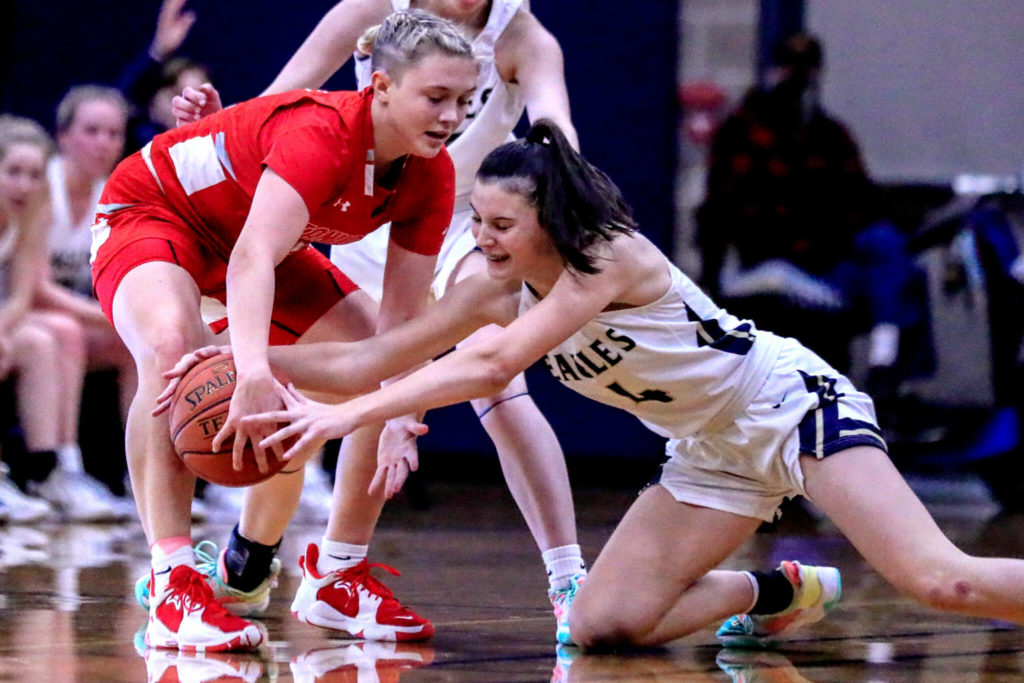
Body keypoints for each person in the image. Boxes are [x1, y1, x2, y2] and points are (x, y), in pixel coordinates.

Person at [208, 120, 1023, 650]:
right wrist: (243, 361)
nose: (483, 241)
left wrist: (337, 419)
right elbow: (378, 356)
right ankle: (773, 589)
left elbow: (490, 367)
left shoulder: (607, 254)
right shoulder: (495, 286)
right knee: (598, 626)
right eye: (477, 222)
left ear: (545, 219)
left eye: (501, 225)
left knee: (938, 579)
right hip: (710, 451)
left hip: (787, 405)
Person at [170, 0, 586, 642]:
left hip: (469, 220)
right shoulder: (371, 9)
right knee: (324, 391)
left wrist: (565, 173)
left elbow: (556, 127)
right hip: (366, 213)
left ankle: (566, 579)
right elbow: (285, 95)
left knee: (497, 375)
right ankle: (254, 552)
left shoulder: (524, 36)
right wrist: (219, 126)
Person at [91, 9, 478, 651]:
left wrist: (397, 411)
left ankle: (328, 571)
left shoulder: (430, 172)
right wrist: (251, 371)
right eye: (436, 97)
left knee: (365, 362)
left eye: (464, 101)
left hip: (253, 243)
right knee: (173, 350)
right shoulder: (322, 134)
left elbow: (400, 325)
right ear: (380, 86)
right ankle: (173, 580)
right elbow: (249, 261)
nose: (451, 117)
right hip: (157, 214)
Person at [696, 34, 928, 394]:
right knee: (889, 273)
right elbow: (720, 210)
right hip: (772, 264)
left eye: (807, 69)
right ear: (773, 71)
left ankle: (890, 372)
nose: (798, 78)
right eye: (790, 67)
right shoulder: (744, 133)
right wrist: (711, 280)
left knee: (900, 265)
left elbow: (862, 200)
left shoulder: (828, 134)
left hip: (828, 262)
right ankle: (888, 364)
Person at [31, 85, 137, 519]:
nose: (103, 142)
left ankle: (141, 475)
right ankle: (64, 470)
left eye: (113, 133)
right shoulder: (40, 186)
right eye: (91, 130)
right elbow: (36, 289)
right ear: (63, 136)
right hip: (25, 311)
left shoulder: (113, 194)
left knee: (139, 346)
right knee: (70, 333)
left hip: (65, 316)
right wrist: (109, 316)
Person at [0, 115, 82, 523]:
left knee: (39, 341)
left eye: (34, 175)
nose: (25, 185)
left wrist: (3, 327)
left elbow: (20, 296)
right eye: (13, 172)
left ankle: (43, 472)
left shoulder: (31, 214)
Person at [117, 0, 210, 154]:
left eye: (197, 99)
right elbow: (116, 106)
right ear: (153, 101)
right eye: (177, 95)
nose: (187, 107)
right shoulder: (133, 144)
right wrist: (158, 52)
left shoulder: (210, 158)